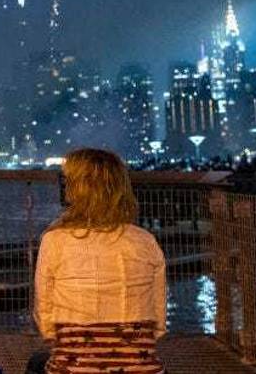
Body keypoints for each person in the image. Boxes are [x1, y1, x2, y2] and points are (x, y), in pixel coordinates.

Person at [29, 148, 167, 374]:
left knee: (37, 363)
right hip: (141, 369)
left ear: (76, 189)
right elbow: (158, 323)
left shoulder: (54, 241)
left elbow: (45, 321)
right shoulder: (145, 241)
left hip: (74, 368)